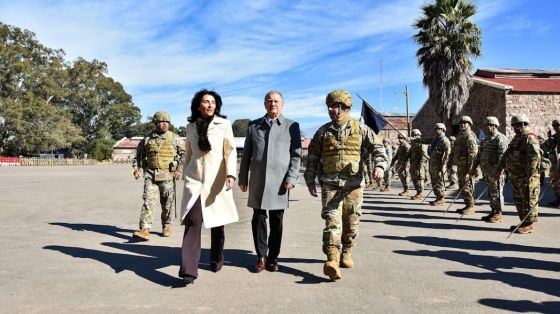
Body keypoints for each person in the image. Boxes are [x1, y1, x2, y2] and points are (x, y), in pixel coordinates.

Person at [304, 89, 387, 281]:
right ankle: (332, 259)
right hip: (330, 185)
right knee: (332, 222)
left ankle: (346, 251)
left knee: (351, 224)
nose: (331, 110)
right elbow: (313, 157)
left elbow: (378, 148)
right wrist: (310, 179)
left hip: (354, 185)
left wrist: (380, 166)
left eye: (334, 106)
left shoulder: (360, 129)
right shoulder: (323, 132)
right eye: (329, 107)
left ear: (344, 107)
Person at [179, 89, 239, 285]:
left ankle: (216, 258)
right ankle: (189, 270)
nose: (210, 105)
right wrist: (184, 173)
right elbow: (188, 153)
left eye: (213, 102)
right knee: (193, 222)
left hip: (217, 180)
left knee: (217, 223)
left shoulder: (224, 125)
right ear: (198, 105)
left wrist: (231, 174)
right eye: (206, 102)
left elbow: (229, 152)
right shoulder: (190, 127)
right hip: (195, 180)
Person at [238, 91, 302, 273]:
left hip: (280, 182)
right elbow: (246, 155)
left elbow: (296, 156)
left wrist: (291, 178)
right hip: (258, 180)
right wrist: (243, 178)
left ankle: (273, 257)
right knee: (258, 218)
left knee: (277, 220)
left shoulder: (292, 126)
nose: (273, 104)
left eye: (276, 101)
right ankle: (261, 256)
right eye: (269, 101)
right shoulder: (253, 126)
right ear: (264, 104)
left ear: (282, 104)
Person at [132, 111, 185, 240]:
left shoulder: (175, 138)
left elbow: (184, 154)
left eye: (166, 122)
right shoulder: (147, 139)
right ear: (155, 123)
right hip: (150, 175)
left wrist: (179, 169)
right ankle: (144, 229)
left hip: (167, 176)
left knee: (167, 204)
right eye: (161, 122)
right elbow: (138, 156)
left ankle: (166, 225)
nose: (164, 124)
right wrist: (136, 168)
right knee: (148, 202)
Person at [497, 114, 541, 234]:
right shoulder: (517, 137)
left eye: (516, 125)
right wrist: (499, 168)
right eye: (514, 125)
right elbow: (508, 153)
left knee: (528, 200)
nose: (514, 128)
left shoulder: (529, 138)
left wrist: (530, 174)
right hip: (516, 176)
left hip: (526, 176)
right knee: (519, 200)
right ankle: (523, 222)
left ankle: (529, 224)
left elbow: (534, 158)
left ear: (523, 124)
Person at [470, 116, 508, 222]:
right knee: (491, 193)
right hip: (486, 171)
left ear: (495, 126)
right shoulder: (485, 139)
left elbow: (502, 157)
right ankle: (493, 211)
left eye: (489, 125)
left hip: (496, 172)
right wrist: (474, 167)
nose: (486, 128)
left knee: (496, 192)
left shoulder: (500, 138)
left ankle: (498, 213)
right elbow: (479, 155)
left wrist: (498, 171)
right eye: (485, 126)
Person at [453, 116, 478, 215]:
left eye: (465, 123)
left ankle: (471, 206)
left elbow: (473, 152)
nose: (463, 124)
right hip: (460, 165)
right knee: (462, 186)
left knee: (467, 186)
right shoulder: (460, 135)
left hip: (467, 166)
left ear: (469, 124)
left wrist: (472, 167)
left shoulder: (469, 135)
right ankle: (467, 204)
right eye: (461, 123)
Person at [427, 123, 451, 206]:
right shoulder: (435, 139)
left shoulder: (444, 140)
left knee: (439, 181)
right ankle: (438, 197)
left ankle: (441, 198)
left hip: (439, 164)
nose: (436, 130)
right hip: (433, 163)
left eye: (438, 129)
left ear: (443, 130)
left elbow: (447, 153)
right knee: (434, 181)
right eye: (435, 129)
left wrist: (444, 164)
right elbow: (426, 140)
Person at [406, 129, 429, 200]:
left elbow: (424, 154)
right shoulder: (414, 143)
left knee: (419, 178)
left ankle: (420, 193)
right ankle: (418, 192)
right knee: (414, 178)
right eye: (412, 135)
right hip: (413, 163)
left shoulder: (421, 142)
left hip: (419, 164)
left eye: (414, 135)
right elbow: (410, 152)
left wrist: (421, 163)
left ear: (417, 135)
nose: (412, 136)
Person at [545, 119, 560, 206]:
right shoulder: (554, 136)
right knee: (554, 182)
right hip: (554, 163)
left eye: (557, 125)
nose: (556, 127)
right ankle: (558, 199)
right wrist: (549, 140)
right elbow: (548, 146)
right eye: (554, 126)